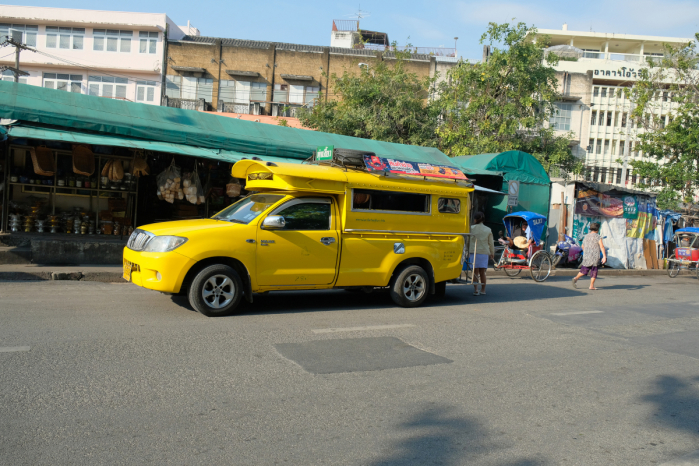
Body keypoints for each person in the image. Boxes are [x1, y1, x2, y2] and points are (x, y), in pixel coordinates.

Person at [572, 222, 607, 290]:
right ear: (597, 229)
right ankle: (591, 286)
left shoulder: (586, 236)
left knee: (584, 269)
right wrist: (604, 256)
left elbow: (582, 246)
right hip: (595, 257)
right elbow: (602, 246)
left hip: (586, 256)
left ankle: (576, 278)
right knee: (594, 270)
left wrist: (586, 252)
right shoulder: (598, 236)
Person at [469, 212, 495, 296]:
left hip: (474, 252)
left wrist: (466, 251)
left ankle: (476, 290)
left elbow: (468, 241)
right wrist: (492, 252)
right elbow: (491, 243)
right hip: (484, 252)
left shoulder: (471, 228)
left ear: (475, 219)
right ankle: (483, 289)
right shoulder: (488, 229)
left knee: (475, 272)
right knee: (482, 272)